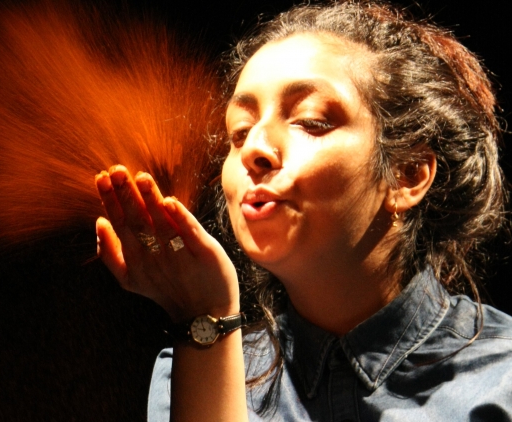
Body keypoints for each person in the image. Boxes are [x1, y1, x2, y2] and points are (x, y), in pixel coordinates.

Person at [94, 1, 512, 420]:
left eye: (310, 121)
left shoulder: (501, 378)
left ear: (407, 174)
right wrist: (205, 317)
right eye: (239, 132)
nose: (253, 148)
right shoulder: (194, 363)